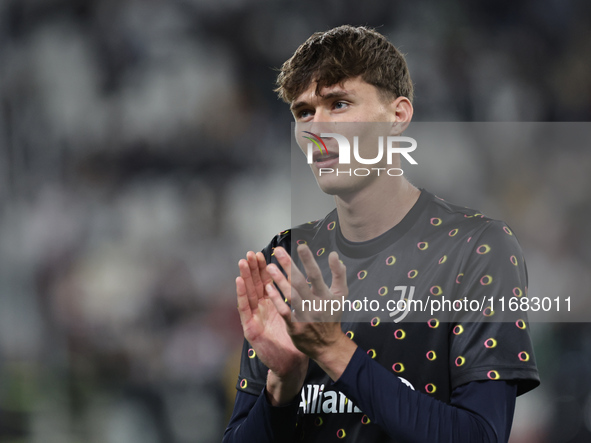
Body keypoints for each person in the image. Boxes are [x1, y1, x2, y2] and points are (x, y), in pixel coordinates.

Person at [223, 25, 539, 442]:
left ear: (398, 115)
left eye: (338, 104)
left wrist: (334, 351)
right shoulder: (287, 256)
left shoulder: (477, 249)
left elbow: (480, 436)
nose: (317, 129)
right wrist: (282, 385)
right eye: (304, 113)